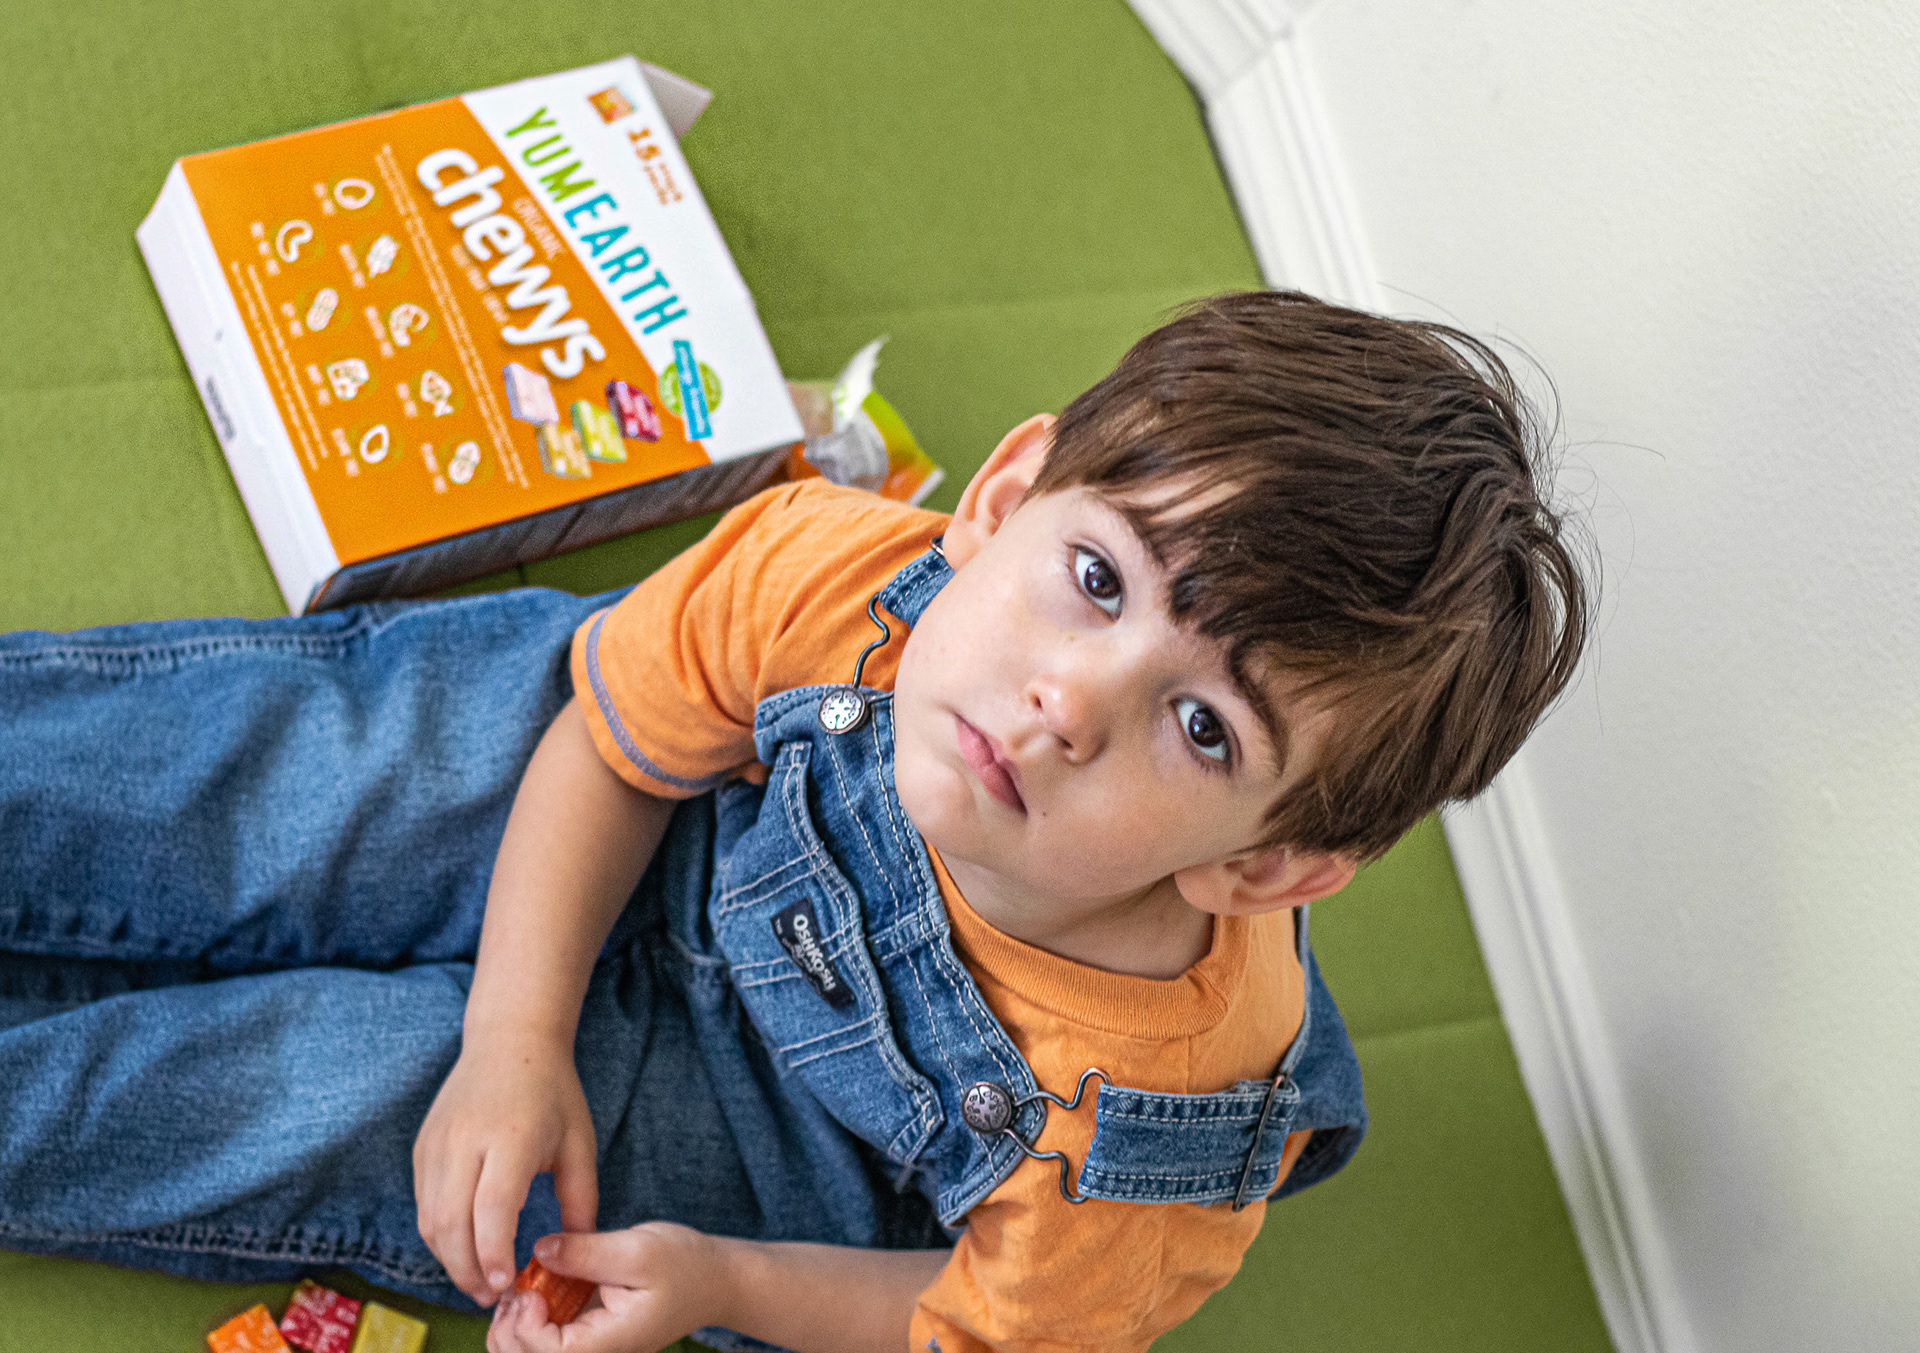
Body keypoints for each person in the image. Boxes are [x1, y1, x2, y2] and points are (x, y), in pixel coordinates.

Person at [0, 292, 1589, 1353]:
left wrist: (721, 1278)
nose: (1066, 702)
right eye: (1098, 579)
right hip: (678, 788)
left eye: (1200, 726)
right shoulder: (834, 571)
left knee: (331, 1100)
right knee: (323, 768)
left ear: (1267, 862)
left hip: (786, 1130)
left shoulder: (1154, 1131)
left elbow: (971, 1318)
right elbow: (609, 744)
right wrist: (513, 1030)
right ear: (1004, 497)